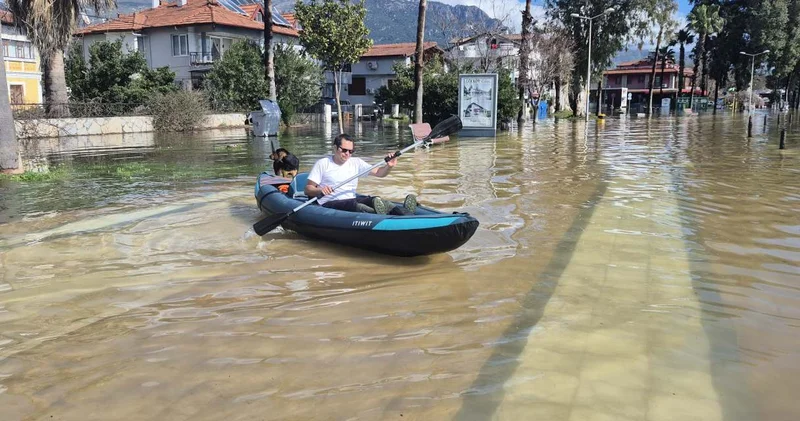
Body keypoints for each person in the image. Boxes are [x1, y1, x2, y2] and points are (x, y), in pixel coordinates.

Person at [304, 134, 417, 215]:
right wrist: (320, 190)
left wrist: (389, 166)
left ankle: (405, 213)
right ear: (335, 148)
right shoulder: (323, 163)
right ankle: (383, 216)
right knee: (358, 206)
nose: (347, 154)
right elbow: (308, 189)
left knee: (374, 200)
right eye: (344, 150)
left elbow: (379, 173)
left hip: (352, 199)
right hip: (329, 202)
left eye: (351, 151)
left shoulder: (356, 163)